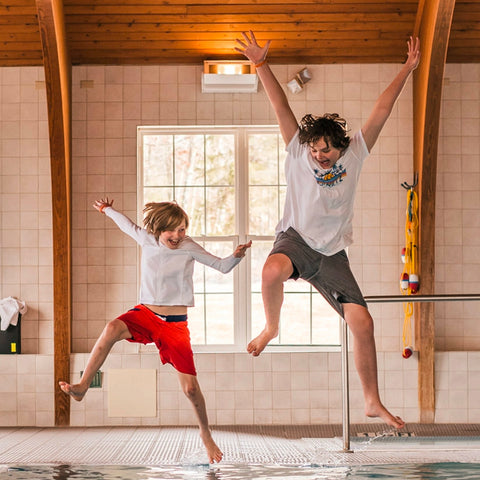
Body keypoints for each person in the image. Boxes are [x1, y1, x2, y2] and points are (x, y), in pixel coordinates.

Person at [235, 31, 421, 429]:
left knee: (363, 323)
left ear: (341, 146)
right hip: (297, 240)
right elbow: (281, 105)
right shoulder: (298, 152)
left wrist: (407, 69)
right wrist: (261, 65)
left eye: (326, 150)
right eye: (315, 149)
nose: (319, 157)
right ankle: (272, 327)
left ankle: (372, 401)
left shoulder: (355, 152)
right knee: (271, 271)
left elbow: (382, 110)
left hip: (333, 252)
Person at [59, 198, 252, 464]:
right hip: (146, 315)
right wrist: (107, 209)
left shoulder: (188, 247)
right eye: (171, 230)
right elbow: (125, 224)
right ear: (158, 229)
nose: (177, 235)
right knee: (112, 326)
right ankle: (82, 387)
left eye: (182, 229)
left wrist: (237, 255)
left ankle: (205, 433)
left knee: (190, 390)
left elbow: (221, 266)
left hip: (174, 325)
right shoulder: (146, 239)